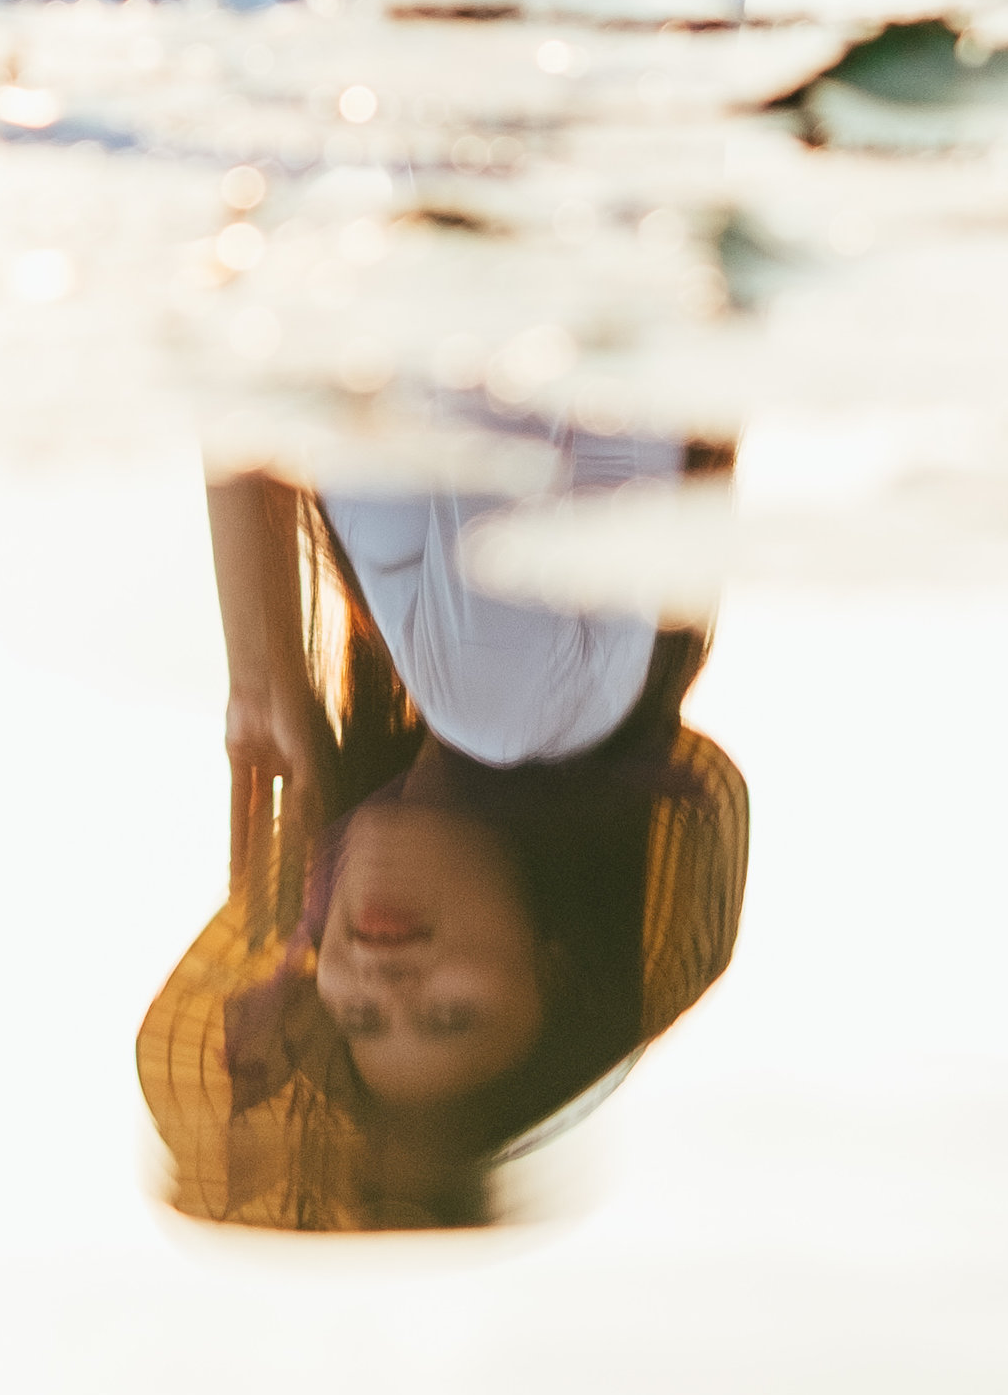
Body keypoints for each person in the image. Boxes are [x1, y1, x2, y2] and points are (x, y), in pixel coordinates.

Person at [139, 437, 748, 1234]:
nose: (385, 987)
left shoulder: (548, 709)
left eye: (358, 1020)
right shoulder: (497, 700)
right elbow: (412, 347)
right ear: (553, 958)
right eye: (450, 1017)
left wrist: (261, 676)